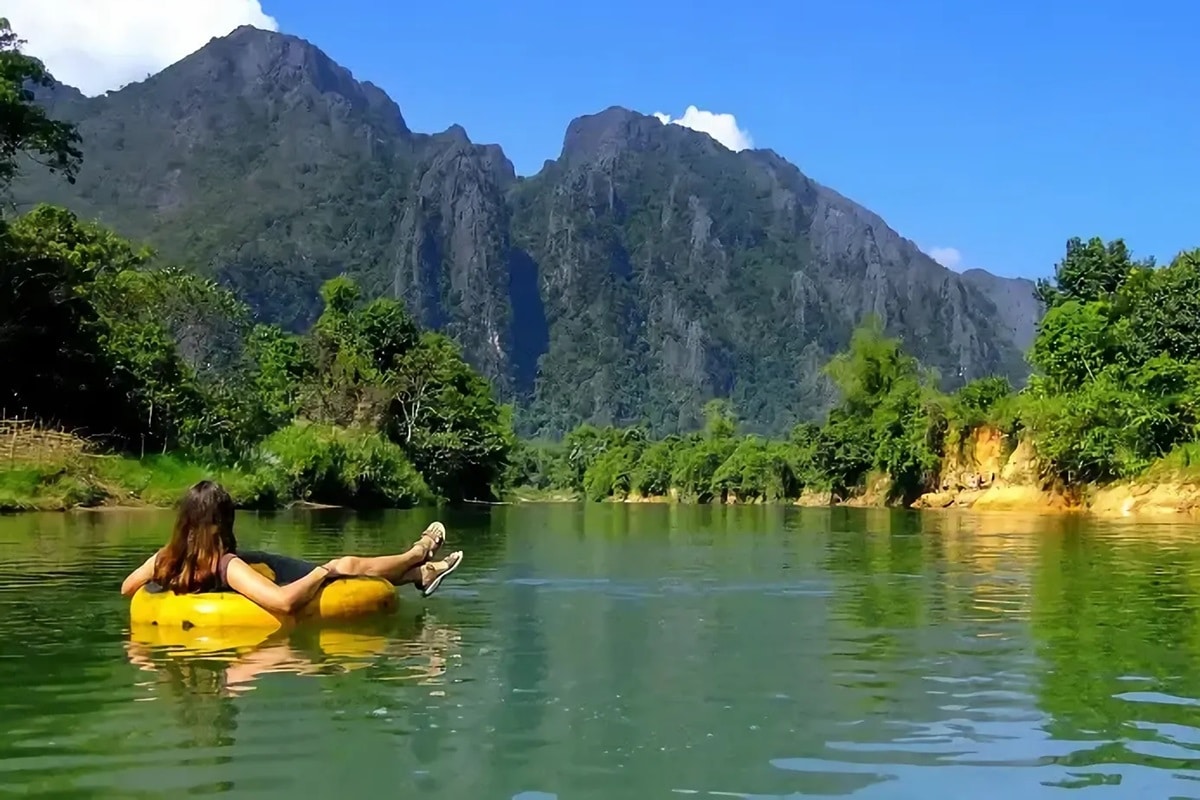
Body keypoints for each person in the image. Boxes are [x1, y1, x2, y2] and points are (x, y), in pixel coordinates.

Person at [119, 480, 465, 615]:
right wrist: (322, 571)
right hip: (289, 587)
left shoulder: (164, 559)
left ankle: (421, 570)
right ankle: (419, 556)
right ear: (225, 521)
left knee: (346, 566)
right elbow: (283, 602)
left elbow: (127, 589)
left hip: (259, 575)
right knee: (344, 564)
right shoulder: (227, 566)